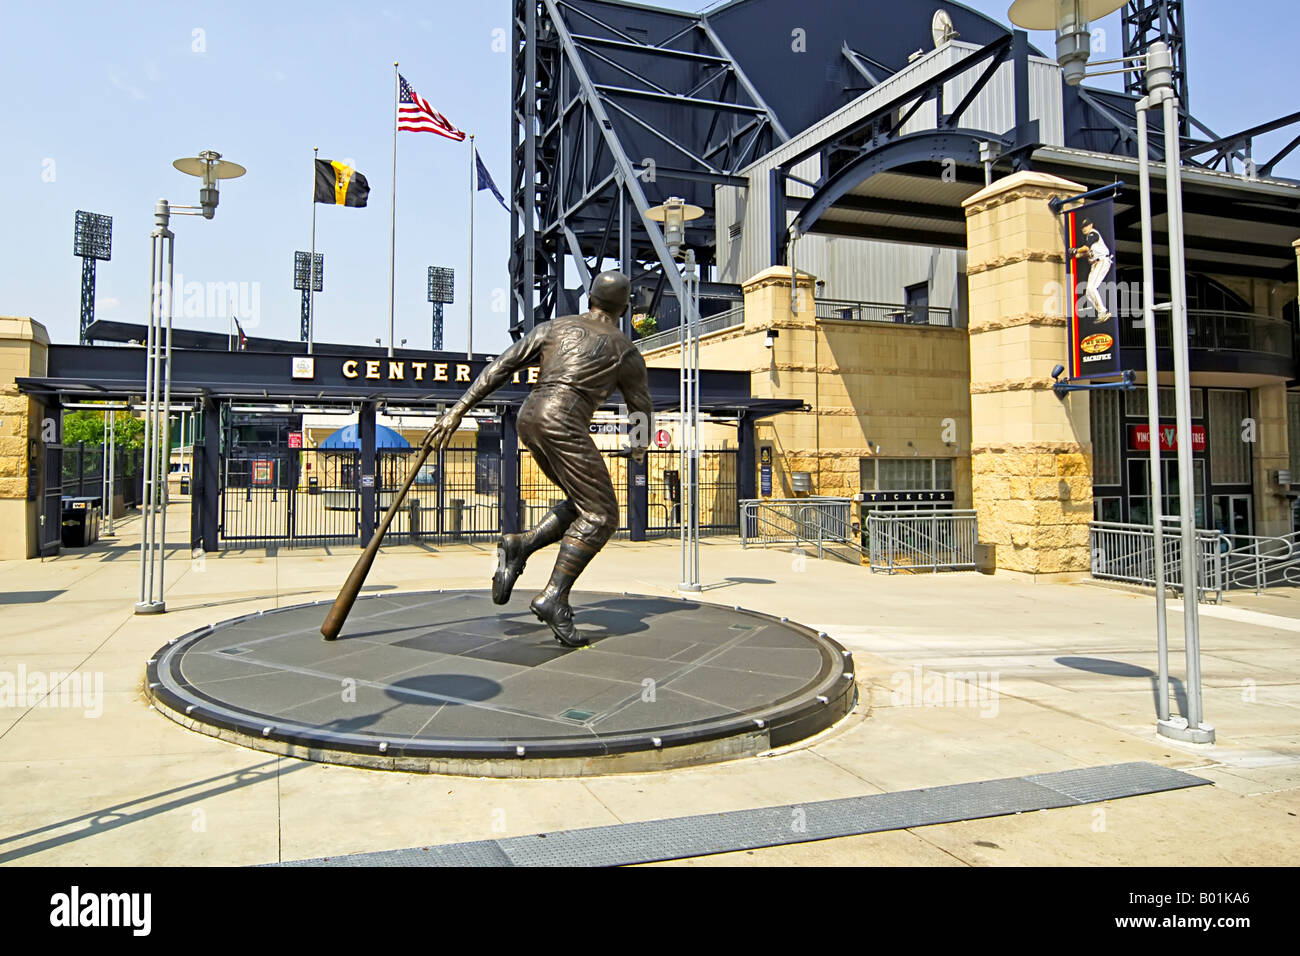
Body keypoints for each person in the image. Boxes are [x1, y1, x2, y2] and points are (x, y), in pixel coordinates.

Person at [422, 271, 653, 647]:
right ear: (625, 306)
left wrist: (458, 409)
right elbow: (640, 407)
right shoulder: (625, 349)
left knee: (583, 506)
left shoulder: (554, 327)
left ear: (589, 297)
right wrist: (640, 447)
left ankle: (520, 545)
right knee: (602, 515)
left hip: (529, 418)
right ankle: (553, 598)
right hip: (563, 420)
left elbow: (500, 365)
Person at [1072, 218, 1114, 326]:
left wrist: (1076, 250)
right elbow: (1088, 253)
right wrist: (1076, 255)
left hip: (1101, 261)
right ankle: (1101, 312)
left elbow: (1085, 248)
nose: (1084, 228)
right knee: (1088, 292)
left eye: (1086, 225)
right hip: (1095, 263)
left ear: (1091, 225)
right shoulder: (1089, 238)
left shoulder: (1093, 233)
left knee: (1091, 288)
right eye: (1083, 227)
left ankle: (1103, 311)